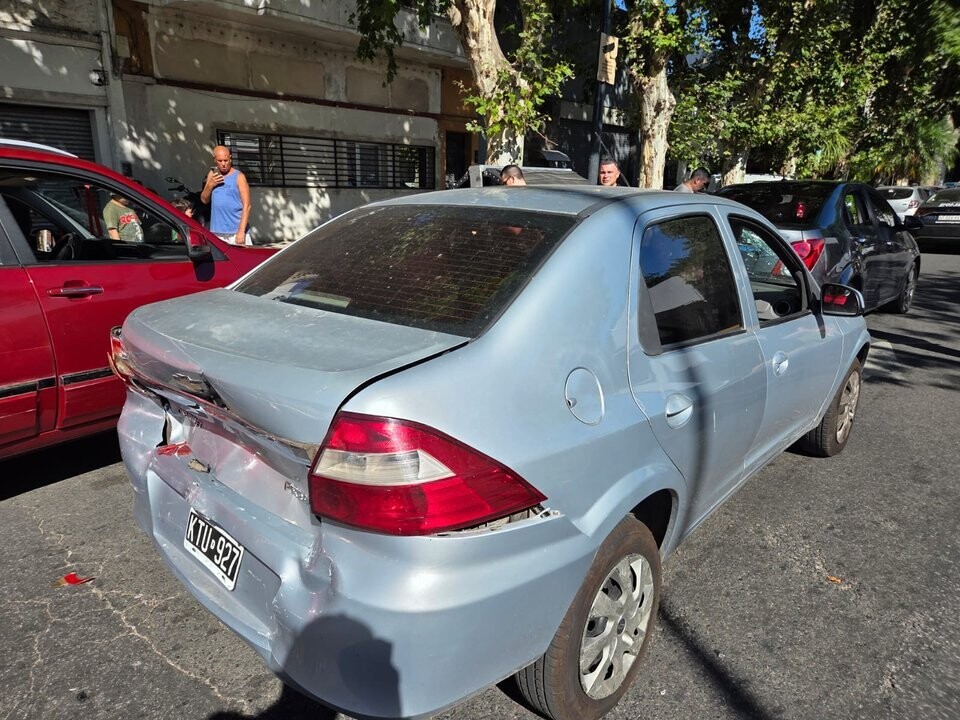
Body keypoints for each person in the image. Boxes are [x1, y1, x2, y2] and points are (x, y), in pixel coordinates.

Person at [201, 145, 251, 245]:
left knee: (242, 260)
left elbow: (247, 205)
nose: (223, 164)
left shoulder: (239, 176)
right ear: (215, 160)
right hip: (217, 231)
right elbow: (204, 200)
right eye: (220, 161)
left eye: (226, 160)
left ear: (230, 158)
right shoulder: (212, 174)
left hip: (236, 232)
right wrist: (210, 185)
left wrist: (241, 231)